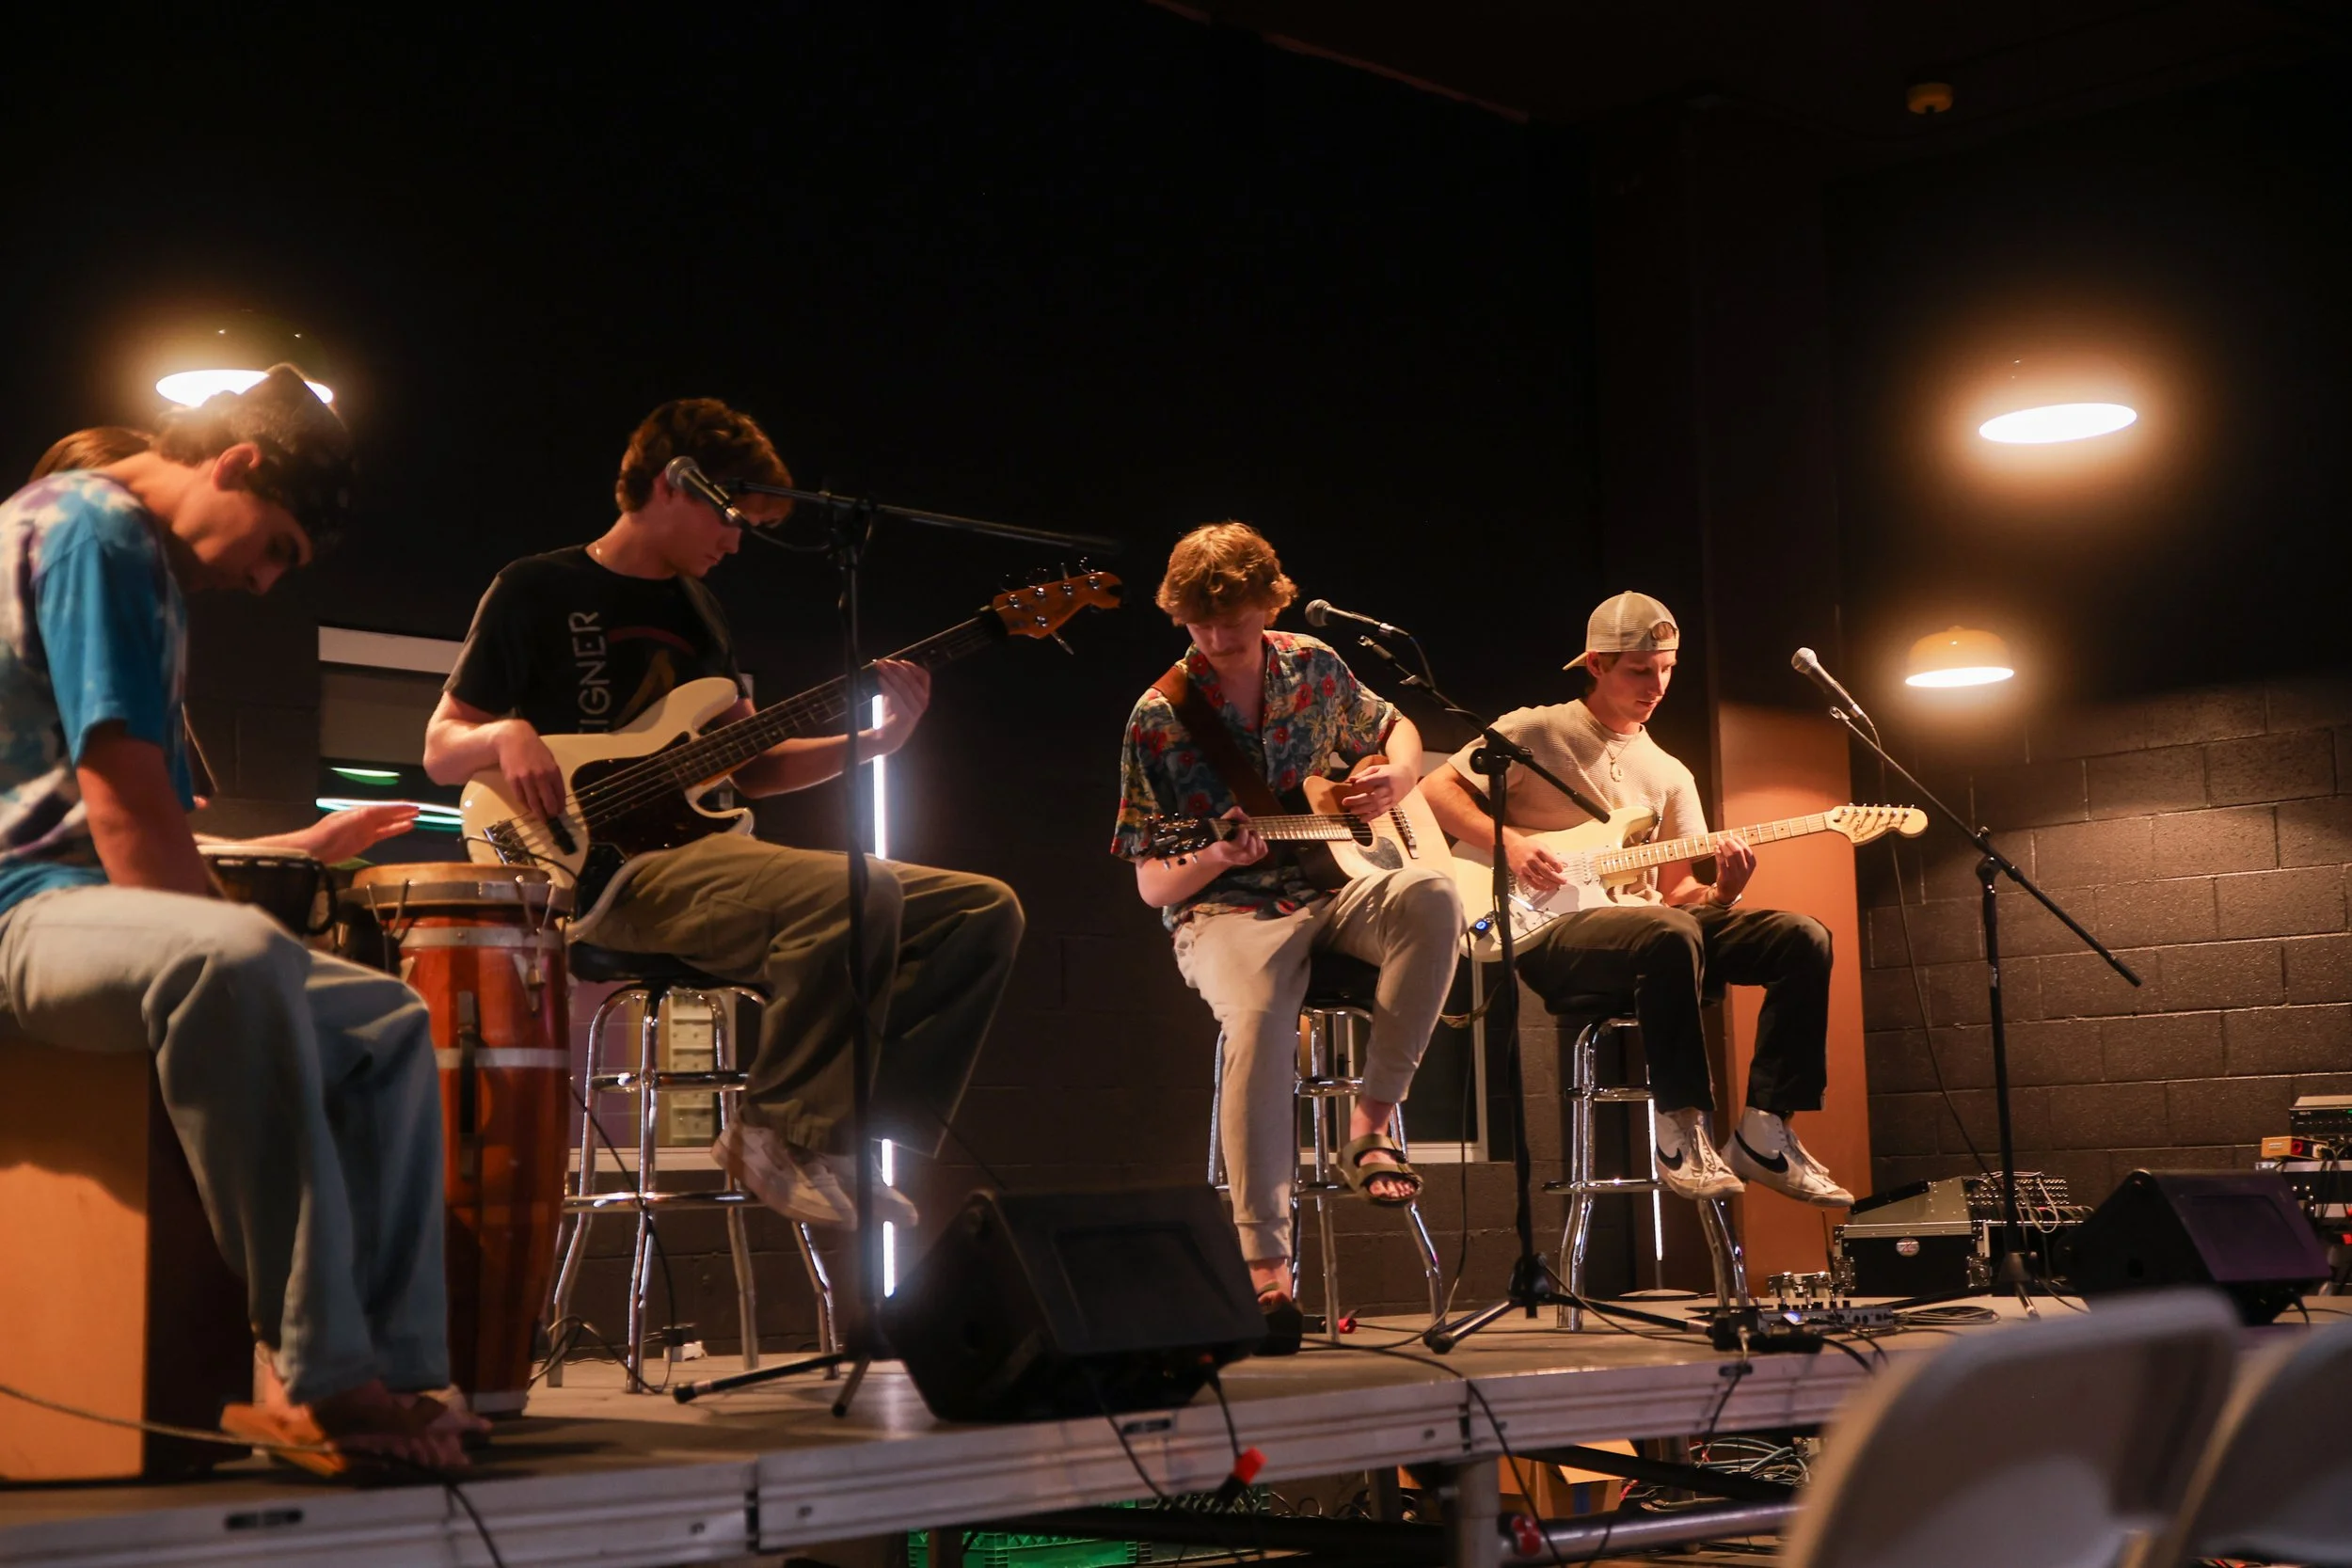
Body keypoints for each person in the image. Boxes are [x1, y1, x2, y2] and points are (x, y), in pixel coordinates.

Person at [0, 369, 476, 1469]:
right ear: (239, 464)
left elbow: (145, 819)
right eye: (275, 548)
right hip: (19, 911)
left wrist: (244, 949)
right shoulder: (91, 527)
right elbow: (120, 790)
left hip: (79, 911)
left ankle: (406, 1374)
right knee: (242, 956)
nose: (264, 581)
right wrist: (238, 951)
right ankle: (325, 1378)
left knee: (388, 1020)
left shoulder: (146, 562)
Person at [422, 398, 1023, 1232]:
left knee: (981, 911)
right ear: (674, 484)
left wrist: (877, 740)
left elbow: (752, 766)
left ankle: (843, 1138)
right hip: (602, 877)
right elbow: (442, 748)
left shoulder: (702, 612)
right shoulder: (536, 587)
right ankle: (775, 1130)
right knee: (860, 894)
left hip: (696, 854)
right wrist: (507, 731)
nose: (738, 541)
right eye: (733, 518)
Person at [1110, 522, 1462, 1349]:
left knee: (1436, 893)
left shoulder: (1313, 664)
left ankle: (1371, 1125)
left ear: (1272, 601)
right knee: (1261, 1020)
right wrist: (1212, 853)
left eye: (1232, 618)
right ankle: (1268, 1267)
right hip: (1226, 912)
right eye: (1197, 622)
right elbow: (1151, 879)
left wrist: (1397, 774)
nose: (1216, 637)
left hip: (1336, 889)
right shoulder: (1159, 716)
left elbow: (1393, 729)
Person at [1419, 591, 1852, 1207]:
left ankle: (1765, 1127)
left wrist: (1724, 891)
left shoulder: (1671, 773)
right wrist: (1512, 846)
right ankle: (1680, 1131)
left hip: (1650, 932)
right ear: (1595, 665)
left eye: (1668, 667)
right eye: (1640, 670)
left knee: (1801, 936)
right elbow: (1437, 791)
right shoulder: (1534, 728)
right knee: (1667, 933)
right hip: (1547, 931)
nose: (1658, 683)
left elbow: (1680, 893)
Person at [27, 425, 417, 863]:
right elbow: (123, 825)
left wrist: (297, 850)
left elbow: (124, 845)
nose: (262, 583)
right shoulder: (94, 531)